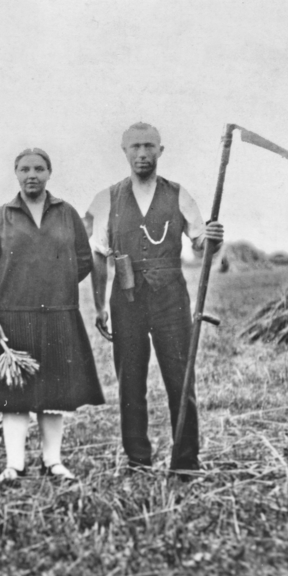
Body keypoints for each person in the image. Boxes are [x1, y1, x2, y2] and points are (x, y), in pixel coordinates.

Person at [87, 123, 224, 476]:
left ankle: (186, 464)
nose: (142, 153)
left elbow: (199, 246)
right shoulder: (107, 199)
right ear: (124, 151)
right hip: (126, 298)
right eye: (135, 146)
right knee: (130, 381)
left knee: (180, 379)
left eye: (149, 146)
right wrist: (100, 304)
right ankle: (137, 463)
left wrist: (212, 239)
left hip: (171, 298)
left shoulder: (179, 195)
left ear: (161, 151)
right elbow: (99, 255)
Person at [0, 148, 105, 482]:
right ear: (15, 173)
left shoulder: (67, 213)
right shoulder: (1, 217)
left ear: (49, 172)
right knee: (14, 396)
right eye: (24, 169)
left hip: (58, 317)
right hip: (13, 318)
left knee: (54, 395)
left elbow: (83, 260)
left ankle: (53, 462)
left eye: (38, 168)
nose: (31, 174)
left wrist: (54, 285)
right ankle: (14, 465)